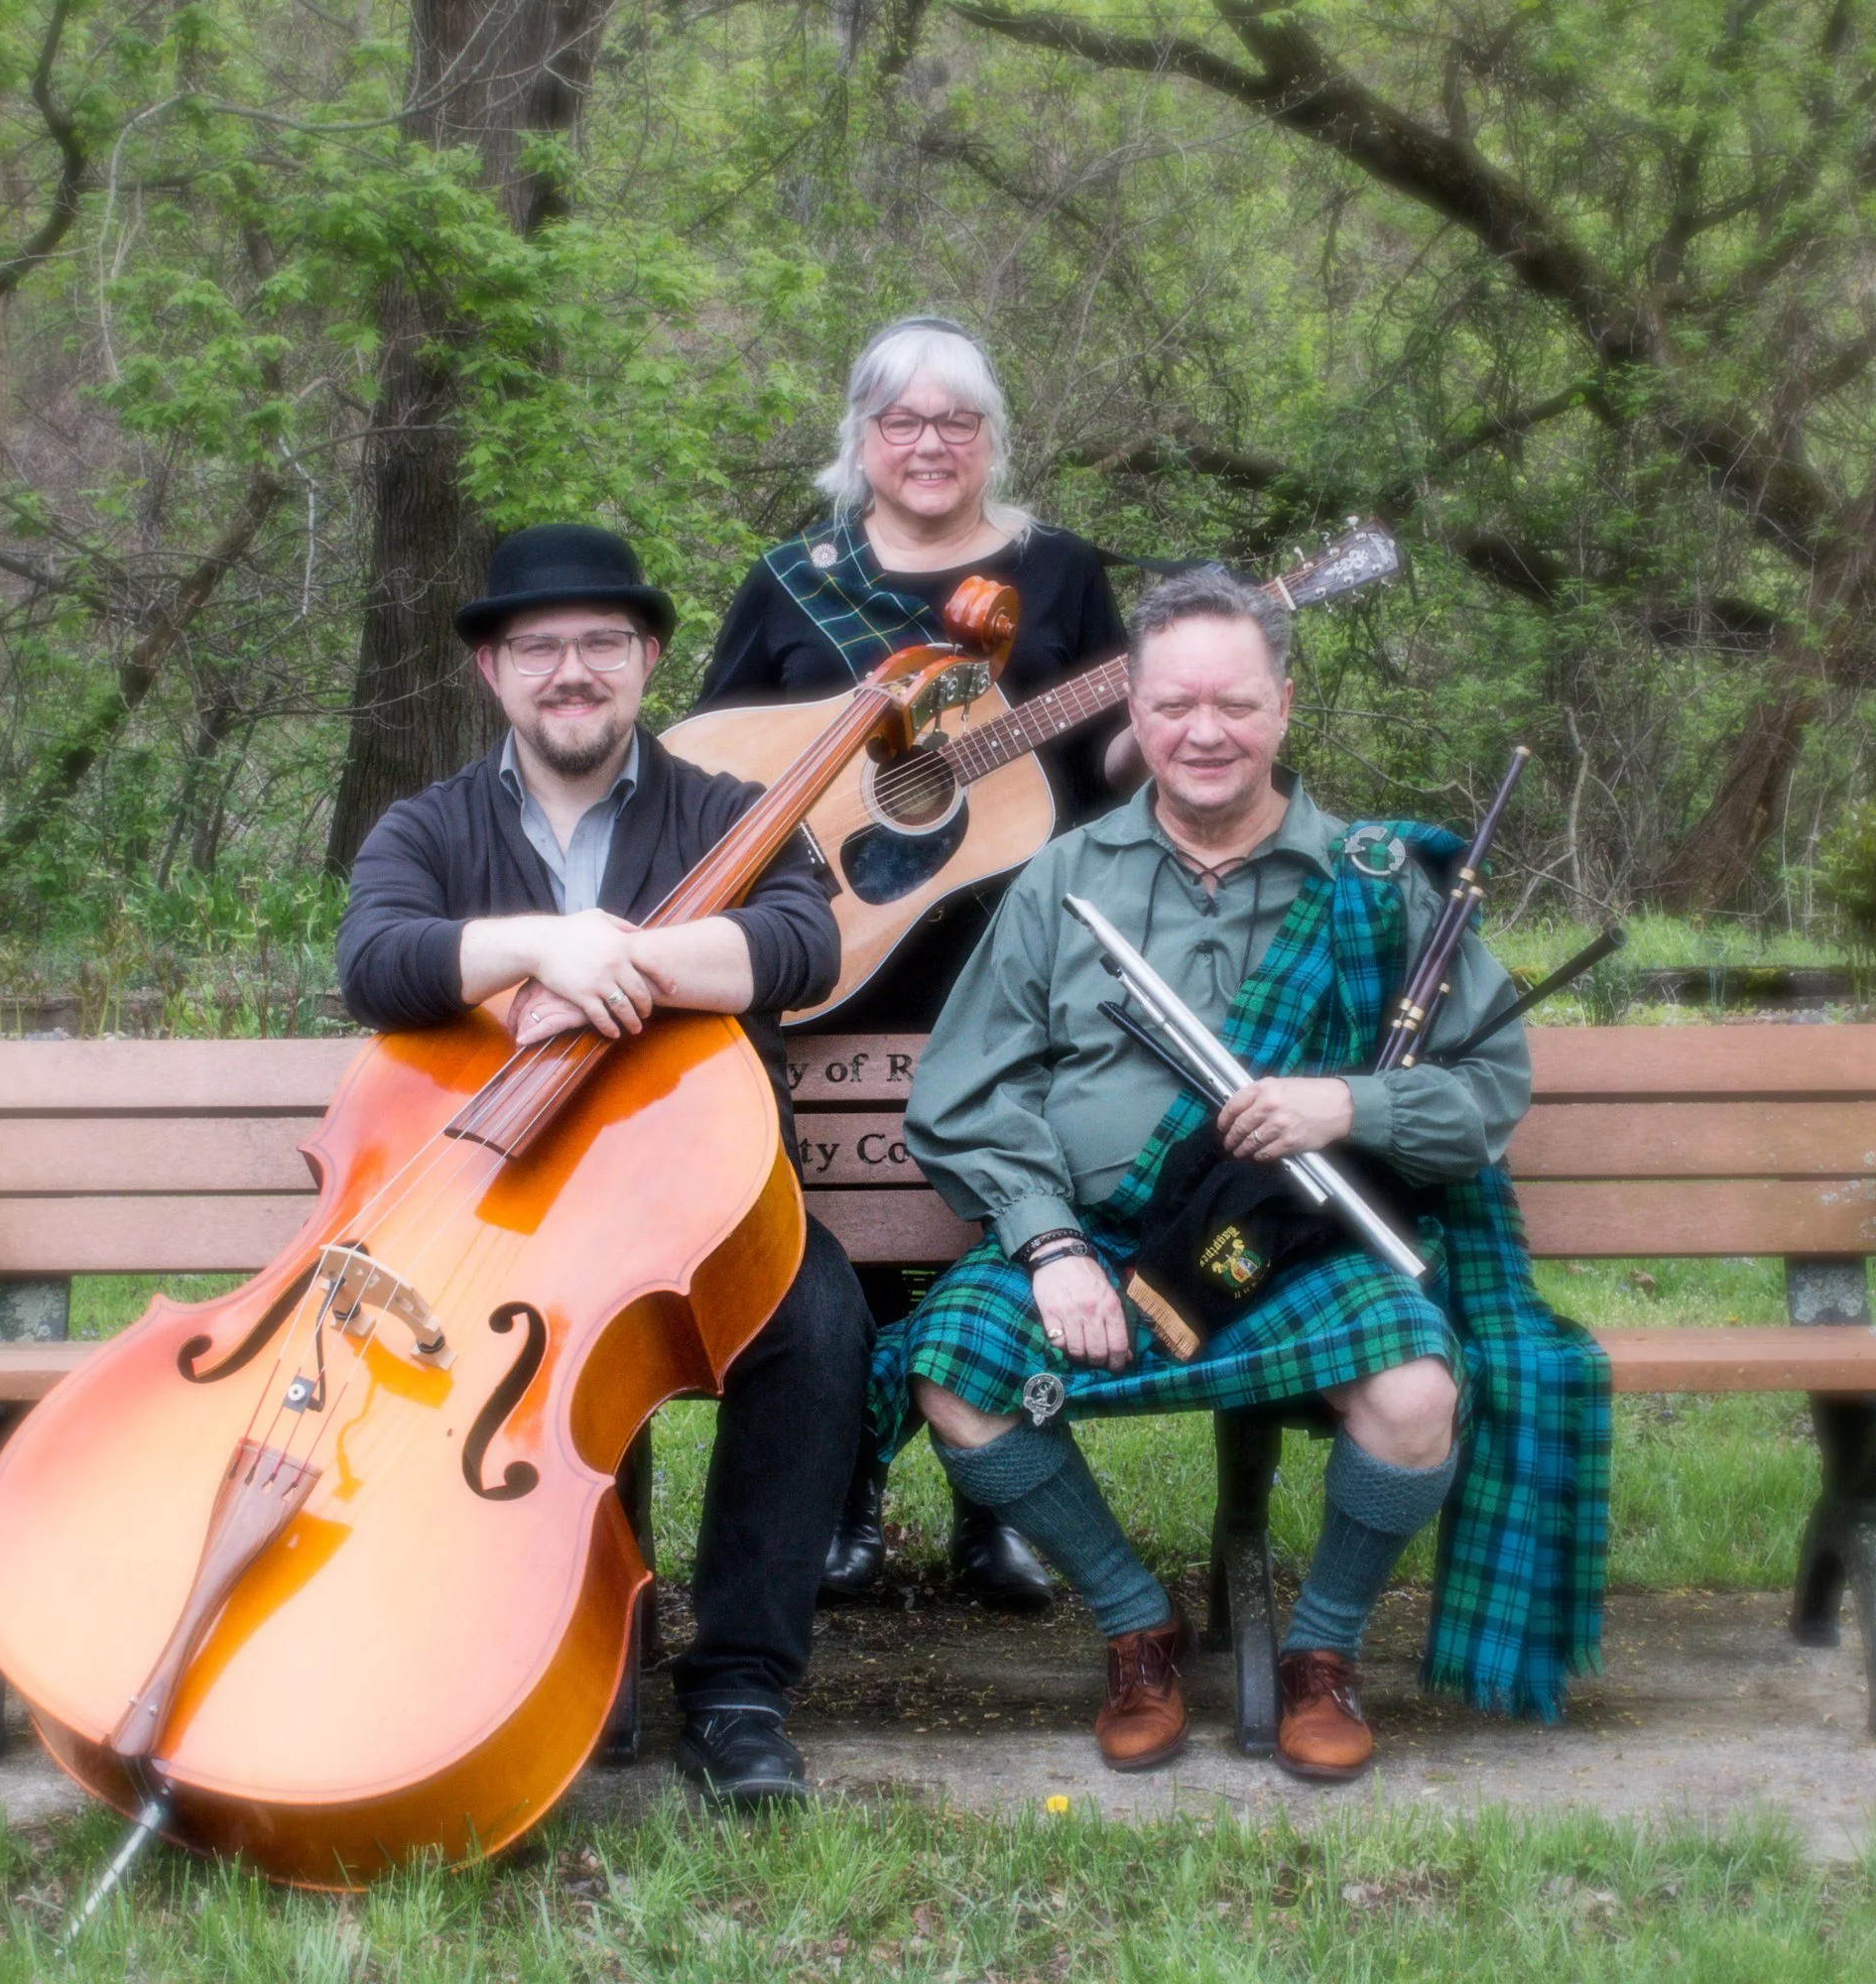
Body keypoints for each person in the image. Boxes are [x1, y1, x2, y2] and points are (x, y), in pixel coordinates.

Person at [874, 566, 1610, 1780]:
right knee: (956, 1373)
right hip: (1101, 1241)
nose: (1201, 731)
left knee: (1417, 1391)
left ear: (1283, 704)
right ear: (1134, 715)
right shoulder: (1064, 881)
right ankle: (1133, 1624)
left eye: (1232, 701)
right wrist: (1048, 1241)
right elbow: (969, 1091)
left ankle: (1322, 1650)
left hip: (1295, 1238)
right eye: (1170, 705)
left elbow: (1485, 1091)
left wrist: (1349, 1101)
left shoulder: (1375, 887)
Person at [336, 523, 871, 1807]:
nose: (570, 670)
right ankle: (574, 1652)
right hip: (513, 1216)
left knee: (820, 1329)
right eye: (538, 647)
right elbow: (376, 960)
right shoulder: (430, 826)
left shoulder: (730, 812)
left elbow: (798, 948)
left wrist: (612, 960)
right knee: (539, 1352)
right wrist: (537, 943)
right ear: (492, 672)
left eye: (600, 644)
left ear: (644, 662)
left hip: (705, 1204)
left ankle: (741, 1689)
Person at [695, 317, 1130, 1610]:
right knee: (840, 1230)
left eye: (957, 422)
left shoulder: (1062, 575)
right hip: (838, 955)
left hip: (1015, 950)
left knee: (1002, 1214)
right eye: (902, 422)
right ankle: (842, 1497)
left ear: (994, 438)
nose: (929, 444)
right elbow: (714, 766)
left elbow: (1110, 774)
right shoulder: (792, 581)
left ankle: (998, 1501)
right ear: (862, 440)